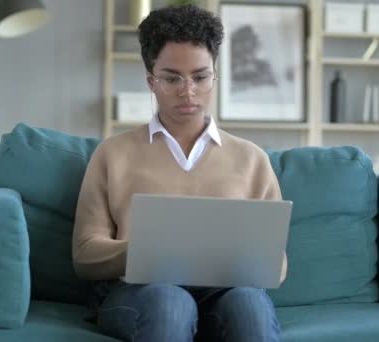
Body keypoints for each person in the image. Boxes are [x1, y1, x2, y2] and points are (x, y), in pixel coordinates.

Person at [72, 4, 287, 342]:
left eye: (200, 77)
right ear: (150, 80)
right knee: (170, 302)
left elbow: (278, 263)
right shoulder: (112, 154)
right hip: (141, 293)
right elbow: (85, 254)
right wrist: (149, 249)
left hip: (223, 293)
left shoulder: (251, 160)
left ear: (214, 75)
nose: (188, 92)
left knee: (250, 304)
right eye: (172, 78)